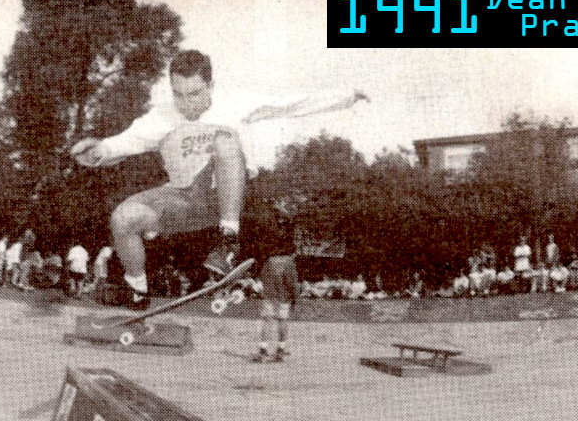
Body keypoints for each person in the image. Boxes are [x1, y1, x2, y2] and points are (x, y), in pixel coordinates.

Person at [72, 49, 368, 310]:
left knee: (225, 141)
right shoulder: (160, 117)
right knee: (123, 217)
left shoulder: (236, 103)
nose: (186, 104)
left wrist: (347, 96)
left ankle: (228, 243)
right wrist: (98, 151)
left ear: (211, 86)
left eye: (195, 94)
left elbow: (290, 104)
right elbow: (124, 143)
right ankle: (136, 290)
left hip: (227, 197)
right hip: (184, 202)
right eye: (179, 95)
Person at [251, 213, 298, 363]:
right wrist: (295, 297)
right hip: (284, 297)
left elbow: (263, 279)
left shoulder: (269, 261)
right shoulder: (289, 263)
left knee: (266, 322)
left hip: (269, 296)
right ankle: (280, 350)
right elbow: (292, 283)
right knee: (282, 322)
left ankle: (263, 350)